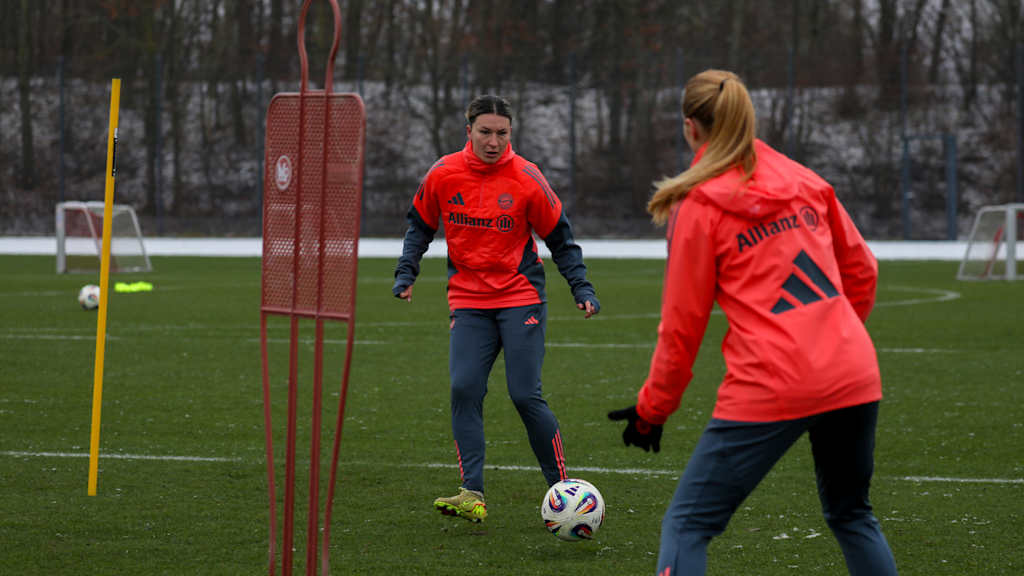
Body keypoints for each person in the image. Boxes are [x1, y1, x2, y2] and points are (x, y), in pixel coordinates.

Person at [608, 69, 898, 576]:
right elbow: (863, 272)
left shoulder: (697, 205)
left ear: (690, 128)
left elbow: (682, 328)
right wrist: (831, 342)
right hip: (852, 374)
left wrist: (651, 411)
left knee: (688, 525)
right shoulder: (807, 181)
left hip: (772, 383)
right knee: (853, 514)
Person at [394, 94, 600, 523]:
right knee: (464, 388)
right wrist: (406, 273)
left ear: (511, 133)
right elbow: (420, 224)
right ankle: (471, 492)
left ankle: (564, 490)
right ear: (467, 131)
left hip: (520, 297)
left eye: (502, 133)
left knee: (525, 395)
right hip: (468, 301)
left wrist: (581, 287)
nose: (493, 141)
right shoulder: (444, 173)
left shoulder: (527, 177)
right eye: (485, 132)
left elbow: (561, 238)